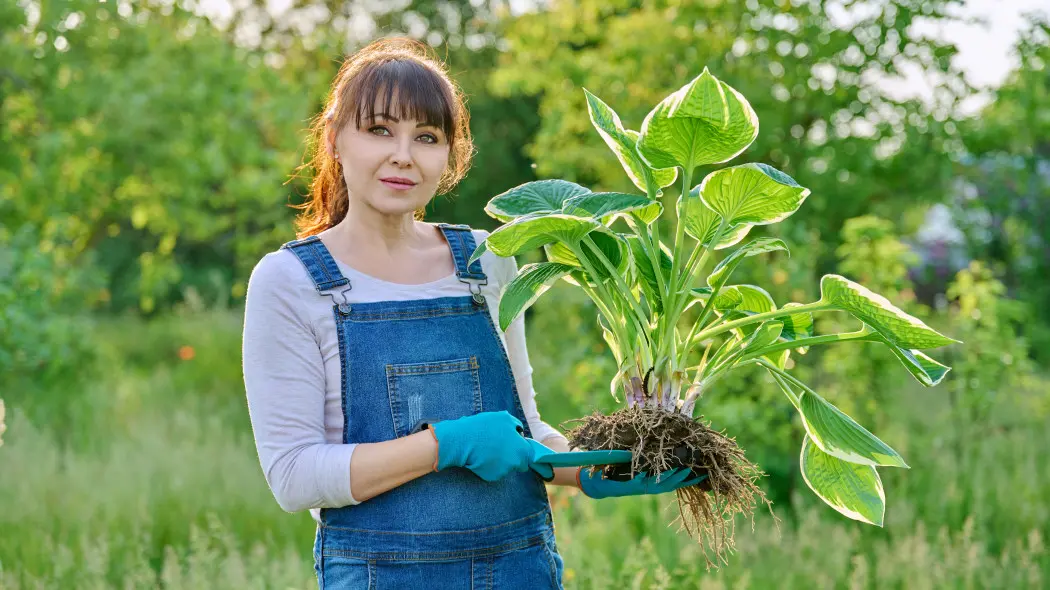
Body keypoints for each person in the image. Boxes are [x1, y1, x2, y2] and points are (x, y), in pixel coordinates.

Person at [242, 36, 699, 589]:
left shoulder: (485, 261)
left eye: (426, 137)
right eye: (380, 130)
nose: (403, 155)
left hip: (520, 568)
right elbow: (294, 476)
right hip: (379, 576)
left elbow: (523, 428)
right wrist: (445, 445)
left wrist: (588, 469)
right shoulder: (292, 281)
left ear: (449, 157)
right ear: (335, 138)